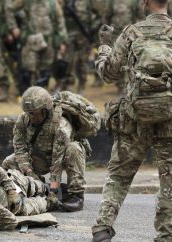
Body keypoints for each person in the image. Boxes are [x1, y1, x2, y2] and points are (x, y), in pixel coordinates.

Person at [92, 0, 172, 241]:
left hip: (134, 120)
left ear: (145, 2)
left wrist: (104, 46)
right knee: (169, 178)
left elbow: (108, 73)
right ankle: (166, 235)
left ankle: (103, 228)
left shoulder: (131, 32)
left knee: (119, 175)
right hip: (169, 120)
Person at [2, 86, 95, 212]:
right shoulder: (23, 120)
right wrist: (30, 173)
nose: (31, 116)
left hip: (62, 158)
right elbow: (20, 148)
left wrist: (53, 193)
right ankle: (35, 189)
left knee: (74, 149)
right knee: (9, 162)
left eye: (35, 112)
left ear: (45, 109)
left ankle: (76, 195)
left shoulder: (61, 125)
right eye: (29, 112)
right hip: (40, 156)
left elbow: (57, 164)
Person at [7, 0, 67, 93]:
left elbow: (60, 22)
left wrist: (62, 42)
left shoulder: (53, 3)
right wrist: (13, 27)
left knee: (45, 71)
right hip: (31, 41)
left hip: (48, 42)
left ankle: (42, 95)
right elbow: (9, 9)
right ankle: (27, 95)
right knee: (28, 70)